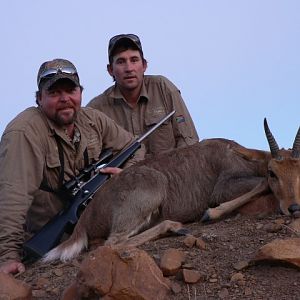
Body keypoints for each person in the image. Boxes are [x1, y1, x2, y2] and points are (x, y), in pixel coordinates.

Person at [0, 58, 145, 274]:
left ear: (80, 92)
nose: (65, 99)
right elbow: (13, 196)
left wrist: (125, 175)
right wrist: (8, 255)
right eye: (54, 92)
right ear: (39, 98)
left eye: (71, 90)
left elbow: (135, 147)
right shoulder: (24, 132)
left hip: (94, 230)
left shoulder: (92, 119)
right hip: (48, 241)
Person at [87, 34, 199, 156]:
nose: (129, 68)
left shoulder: (163, 87)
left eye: (134, 60)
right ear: (110, 70)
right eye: (121, 61)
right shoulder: (96, 110)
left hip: (171, 172)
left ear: (144, 65)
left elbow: (189, 142)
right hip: (124, 175)